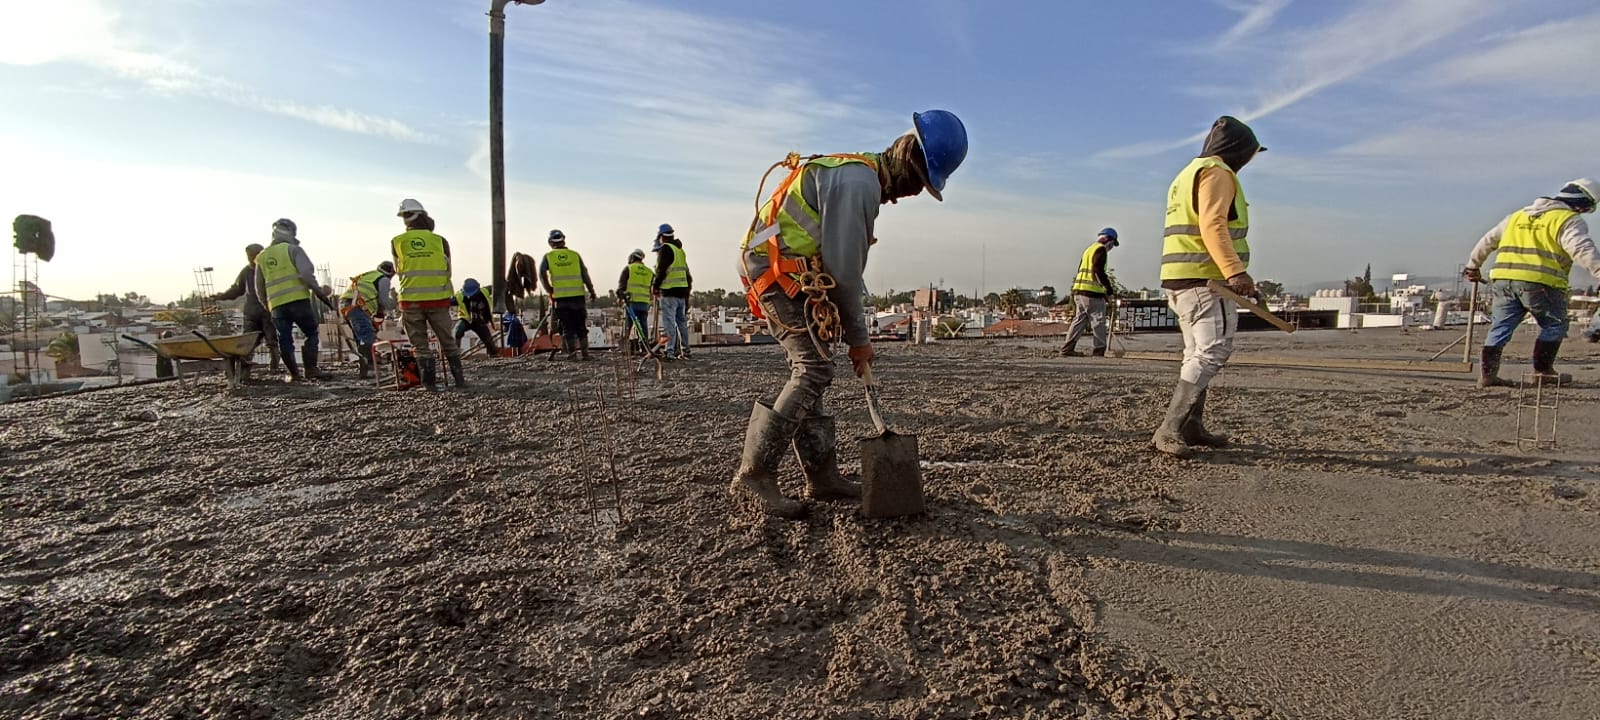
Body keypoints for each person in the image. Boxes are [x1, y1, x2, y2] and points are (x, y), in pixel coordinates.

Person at [732, 109, 967, 518]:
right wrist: (860, 341)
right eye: (917, 181)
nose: (911, 193)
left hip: (793, 269)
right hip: (775, 271)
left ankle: (822, 478)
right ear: (905, 157)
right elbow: (844, 273)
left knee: (817, 366)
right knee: (813, 368)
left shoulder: (857, 172)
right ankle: (753, 476)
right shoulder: (859, 184)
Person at [1149, 116, 1265, 459]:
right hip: (1206, 279)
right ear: (1239, 151)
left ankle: (1191, 425)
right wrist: (1235, 272)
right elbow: (1213, 225)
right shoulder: (1217, 173)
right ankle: (1170, 428)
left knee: (1195, 353)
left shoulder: (1188, 173)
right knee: (1212, 351)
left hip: (1181, 277)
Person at [1463, 178, 1600, 387]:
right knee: (1554, 324)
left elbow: (1487, 241)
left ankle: (1487, 376)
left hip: (1502, 280)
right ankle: (1543, 372)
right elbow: (1582, 250)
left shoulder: (1517, 216)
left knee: (1500, 326)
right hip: (1541, 283)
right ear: (1583, 204)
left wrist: (1473, 266)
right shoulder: (1567, 219)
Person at [391, 198, 465, 389]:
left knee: (421, 347)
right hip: (438, 300)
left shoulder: (397, 242)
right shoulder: (440, 241)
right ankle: (460, 382)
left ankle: (429, 386)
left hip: (410, 301)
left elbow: (398, 270)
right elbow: (448, 270)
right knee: (448, 342)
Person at [253, 218, 334, 382]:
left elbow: (259, 288)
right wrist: (319, 292)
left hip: (276, 305)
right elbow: (306, 275)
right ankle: (310, 369)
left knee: (284, 338)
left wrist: (268, 306)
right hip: (298, 301)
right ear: (291, 232)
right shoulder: (293, 249)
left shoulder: (261, 258)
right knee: (311, 333)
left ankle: (294, 374)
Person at [212, 242, 279, 377]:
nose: (251, 258)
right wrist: (222, 296)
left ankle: (274, 367)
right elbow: (237, 289)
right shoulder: (247, 271)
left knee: (271, 342)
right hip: (254, 312)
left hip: (267, 310)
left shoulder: (269, 269)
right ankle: (244, 370)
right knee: (249, 342)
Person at [539, 229, 598, 360]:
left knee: (567, 327)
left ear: (550, 242)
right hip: (578, 297)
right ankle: (585, 354)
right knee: (581, 327)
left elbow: (541, 275)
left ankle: (572, 354)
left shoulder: (548, 257)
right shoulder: (575, 255)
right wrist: (592, 291)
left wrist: (550, 290)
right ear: (563, 240)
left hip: (561, 299)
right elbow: (585, 274)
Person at [1060, 228, 1119, 357]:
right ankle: (1099, 350)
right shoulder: (1100, 250)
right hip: (1092, 293)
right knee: (1098, 321)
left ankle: (1067, 348)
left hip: (1079, 291)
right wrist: (1108, 289)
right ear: (1108, 240)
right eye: (1113, 244)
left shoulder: (1089, 249)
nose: (1111, 248)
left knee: (1079, 320)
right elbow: (1098, 270)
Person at [340, 260, 396, 379]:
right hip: (356, 305)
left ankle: (365, 370)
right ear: (391, 272)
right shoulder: (383, 279)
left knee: (361, 338)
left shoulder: (370, 276)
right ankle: (371, 369)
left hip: (348, 305)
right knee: (367, 336)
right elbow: (383, 301)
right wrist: (381, 313)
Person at [652, 224, 693, 359]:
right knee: (681, 322)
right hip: (682, 292)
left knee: (669, 323)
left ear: (661, 237)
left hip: (669, 292)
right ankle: (686, 350)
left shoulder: (666, 249)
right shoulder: (680, 251)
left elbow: (661, 270)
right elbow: (687, 274)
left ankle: (670, 352)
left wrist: (655, 286)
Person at [617, 248, 655, 354]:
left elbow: (621, 287)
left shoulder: (628, 269)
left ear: (632, 257)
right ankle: (644, 347)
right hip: (644, 303)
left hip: (631, 303)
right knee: (643, 326)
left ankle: (626, 348)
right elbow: (653, 288)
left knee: (628, 326)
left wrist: (620, 296)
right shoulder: (649, 272)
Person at [451, 278, 499, 356]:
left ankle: (494, 354)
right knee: (458, 331)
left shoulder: (485, 291)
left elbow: (497, 287)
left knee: (487, 339)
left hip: (479, 321)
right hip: (466, 319)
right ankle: (455, 354)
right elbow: (448, 302)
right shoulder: (459, 296)